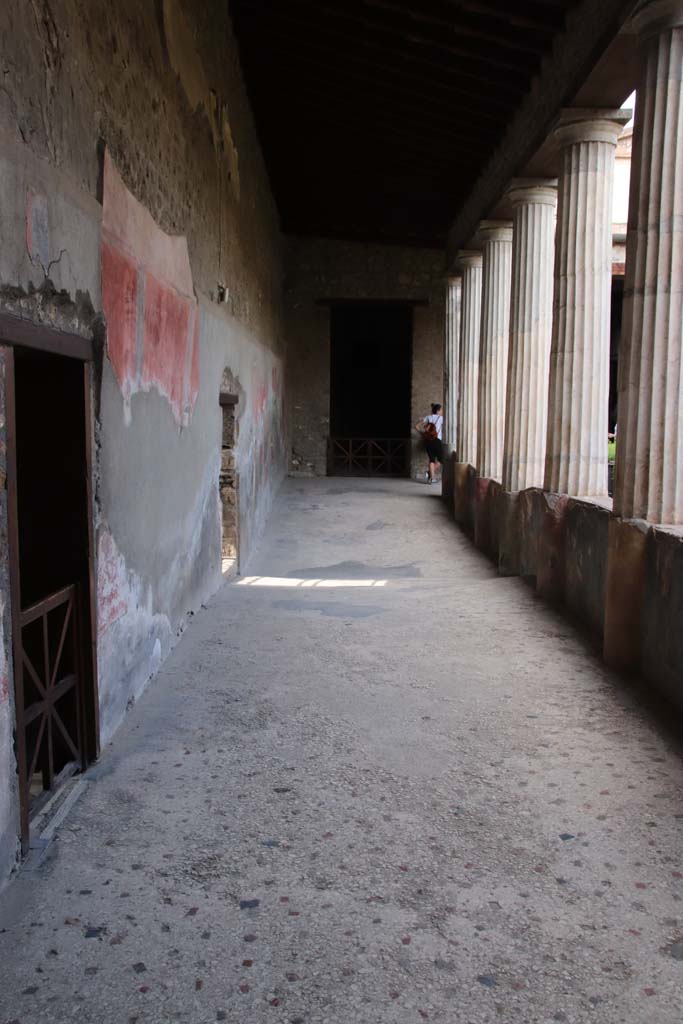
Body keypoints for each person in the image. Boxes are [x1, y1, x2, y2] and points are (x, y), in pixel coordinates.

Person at [416, 403, 443, 484]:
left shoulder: (428, 417)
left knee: (431, 459)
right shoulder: (441, 418)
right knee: (442, 460)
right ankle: (429, 473)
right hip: (437, 441)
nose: (442, 411)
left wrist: (423, 434)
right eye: (441, 410)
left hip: (428, 441)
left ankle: (432, 478)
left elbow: (416, 426)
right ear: (438, 410)